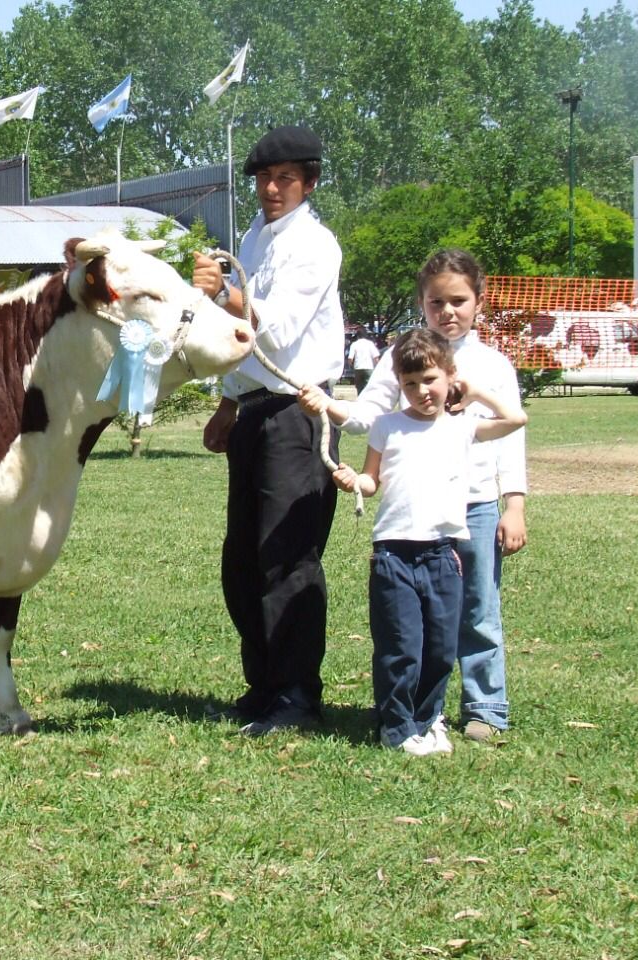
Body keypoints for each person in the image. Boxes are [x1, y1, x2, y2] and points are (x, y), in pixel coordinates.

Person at [299, 330, 526, 754]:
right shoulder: (387, 426)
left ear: (450, 376)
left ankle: (427, 719)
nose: (422, 391)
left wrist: (475, 392)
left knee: (440, 648)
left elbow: (516, 420)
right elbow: (372, 480)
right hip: (393, 555)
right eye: (410, 384)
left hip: (443, 554)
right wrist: (355, 481)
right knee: (401, 646)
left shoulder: (463, 427)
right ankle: (398, 726)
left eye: (431, 380)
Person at [191, 124, 345, 735]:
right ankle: (264, 686)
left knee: (287, 556)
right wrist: (228, 404)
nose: (271, 189)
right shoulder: (253, 237)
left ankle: (297, 695)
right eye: (263, 178)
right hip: (256, 408)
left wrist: (226, 293)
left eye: (285, 179)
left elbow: (276, 330)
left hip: (297, 411)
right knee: (243, 559)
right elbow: (242, 343)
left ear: (309, 183)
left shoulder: (315, 244)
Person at [338, 249, 528, 742]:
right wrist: (333, 409)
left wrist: (514, 504)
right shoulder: (401, 355)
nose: (447, 311)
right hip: (416, 517)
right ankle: (425, 710)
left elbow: (511, 436)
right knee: (422, 621)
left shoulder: (493, 364)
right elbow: (370, 411)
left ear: (479, 301)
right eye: (435, 302)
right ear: (421, 303)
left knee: (478, 609)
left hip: (476, 504)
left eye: (458, 301)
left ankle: (486, 706)